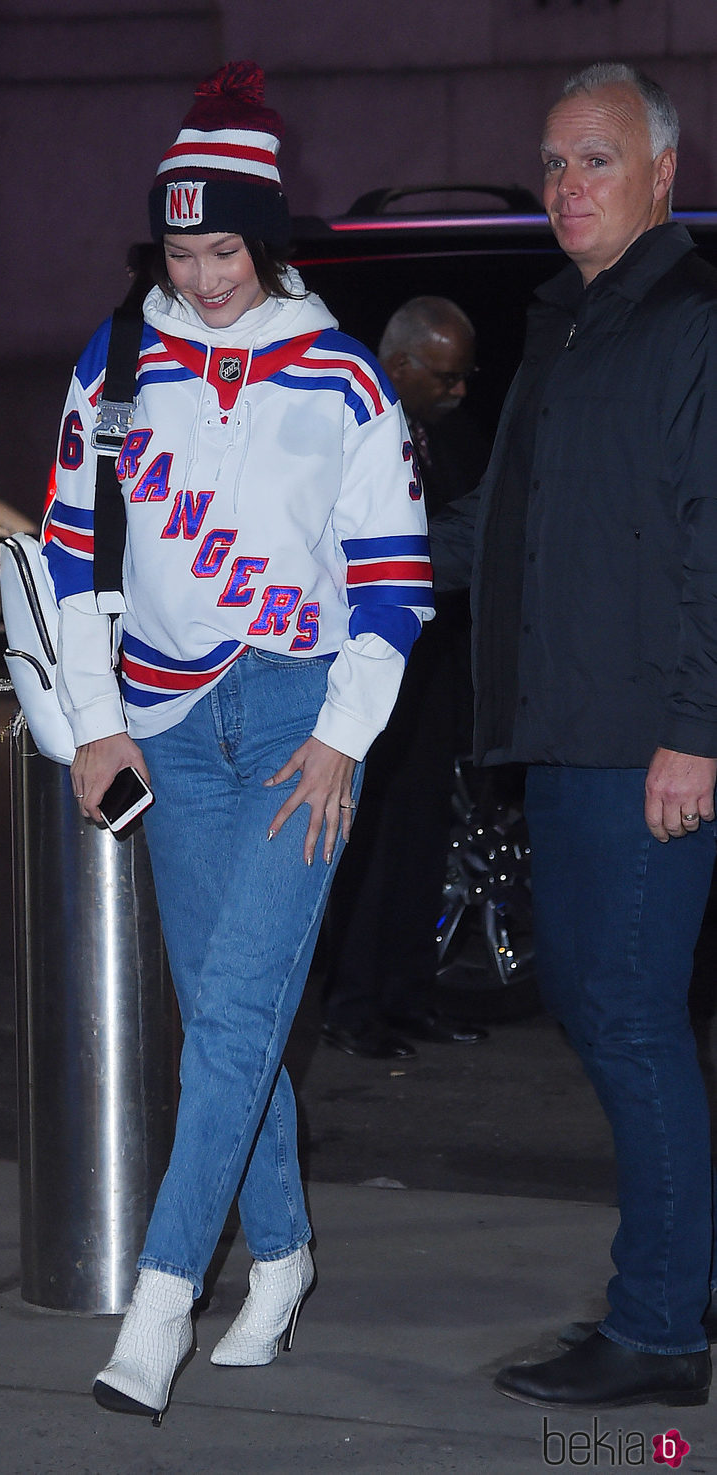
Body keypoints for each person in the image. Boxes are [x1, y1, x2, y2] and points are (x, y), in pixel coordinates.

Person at [42, 61, 433, 1424]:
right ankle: (281, 1252)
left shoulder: (339, 376)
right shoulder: (118, 358)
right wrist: (96, 723)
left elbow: (393, 581)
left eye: (225, 249)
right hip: (161, 721)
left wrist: (341, 738)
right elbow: (70, 551)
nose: (204, 276)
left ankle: (162, 1303)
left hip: (293, 717)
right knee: (227, 1016)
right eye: (180, 248)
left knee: (233, 1016)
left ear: (269, 239)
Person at [432, 62, 716, 1409]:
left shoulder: (691, 323)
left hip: (646, 746)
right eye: (551, 164)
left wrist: (698, 732)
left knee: (629, 1016)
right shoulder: (564, 326)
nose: (564, 188)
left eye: (593, 161)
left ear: (666, 173)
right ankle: (685, 1267)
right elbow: (495, 523)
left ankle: (661, 1328)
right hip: (562, 730)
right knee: (601, 1007)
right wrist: (338, 557)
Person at [323, 298, 490, 1058]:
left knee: (425, 835)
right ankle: (353, 1005)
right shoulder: (349, 426)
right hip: (366, 665)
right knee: (371, 842)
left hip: (431, 671)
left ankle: (408, 995)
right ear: (400, 366)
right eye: (447, 376)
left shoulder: (447, 442)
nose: (460, 391)